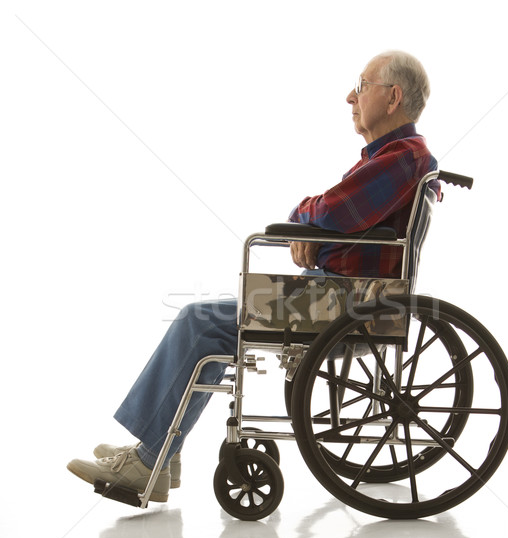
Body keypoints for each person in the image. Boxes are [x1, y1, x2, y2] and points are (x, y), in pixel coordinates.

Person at [67, 50, 440, 502]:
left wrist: (311, 227)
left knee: (200, 321)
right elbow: (335, 218)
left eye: (361, 86)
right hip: (346, 296)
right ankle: (159, 451)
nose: (350, 97)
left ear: (393, 97)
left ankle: (152, 459)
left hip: (349, 303)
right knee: (207, 323)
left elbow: (330, 211)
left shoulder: (403, 156)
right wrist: (315, 231)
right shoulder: (396, 157)